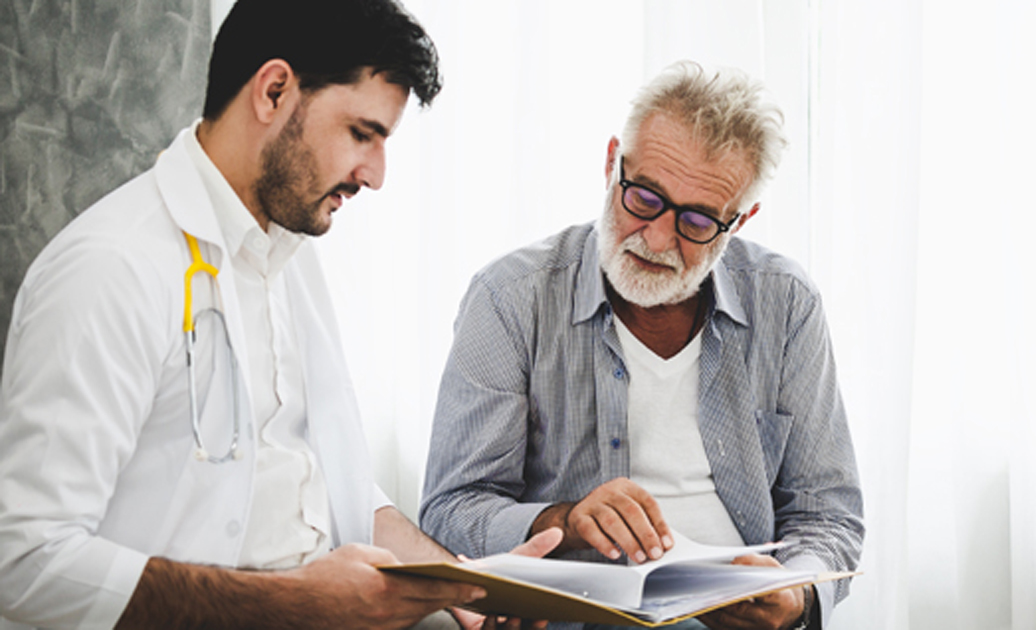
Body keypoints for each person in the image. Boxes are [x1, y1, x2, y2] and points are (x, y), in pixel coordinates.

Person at [0, 1, 560, 628]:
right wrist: (299, 604)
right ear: (273, 91)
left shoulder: (287, 255)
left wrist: (464, 591)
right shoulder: (110, 268)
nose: (375, 175)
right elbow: (23, 563)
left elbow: (324, 480)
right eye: (362, 133)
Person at [420, 61, 864, 630]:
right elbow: (450, 509)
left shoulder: (786, 301)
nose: (656, 239)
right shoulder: (510, 297)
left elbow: (829, 514)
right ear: (612, 164)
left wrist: (796, 600)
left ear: (740, 220)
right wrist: (564, 519)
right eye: (645, 198)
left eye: (698, 221)